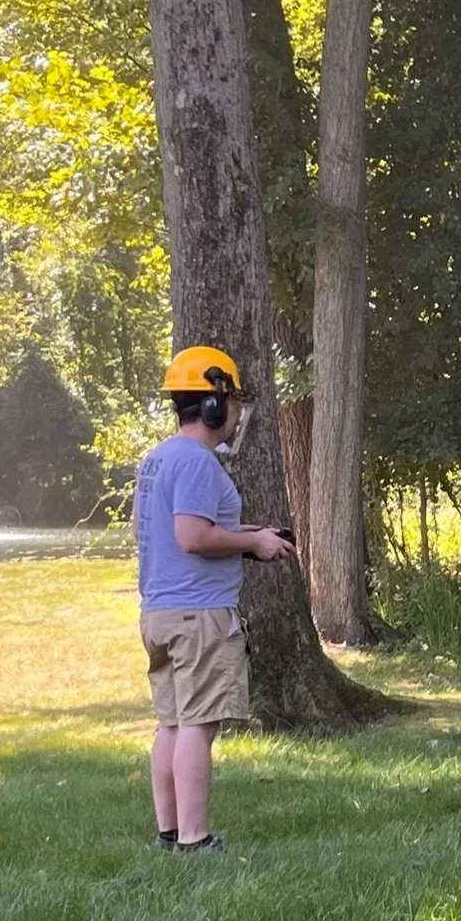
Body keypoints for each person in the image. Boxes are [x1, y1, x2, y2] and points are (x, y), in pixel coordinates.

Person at [135, 345, 294, 853]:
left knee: (172, 724)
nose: (235, 415)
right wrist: (251, 542)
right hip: (199, 615)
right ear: (213, 403)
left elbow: (184, 531)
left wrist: (250, 535)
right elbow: (193, 537)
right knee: (198, 728)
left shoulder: (157, 459)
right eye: (232, 401)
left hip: (159, 613)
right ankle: (196, 840)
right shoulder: (199, 464)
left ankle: (168, 832)